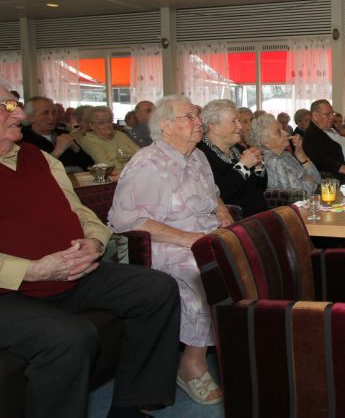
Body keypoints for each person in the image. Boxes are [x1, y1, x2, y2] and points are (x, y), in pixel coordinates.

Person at [0, 86, 181, 418]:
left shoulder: (38, 157)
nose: (20, 114)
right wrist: (30, 270)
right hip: (10, 293)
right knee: (70, 338)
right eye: (7, 107)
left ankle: (130, 407)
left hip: (70, 273)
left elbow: (79, 212)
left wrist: (94, 242)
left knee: (157, 288)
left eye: (16, 105)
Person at [109, 94, 235, 406]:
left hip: (203, 234)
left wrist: (222, 212)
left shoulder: (198, 156)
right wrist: (186, 238)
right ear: (165, 126)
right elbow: (126, 220)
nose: (198, 122)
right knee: (205, 272)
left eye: (197, 115)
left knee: (247, 256)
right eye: (189, 117)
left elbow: (213, 193)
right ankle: (191, 364)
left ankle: (240, 344)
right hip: (162, 243)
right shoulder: (148, 164)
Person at [198, 100, 268, 217]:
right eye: (233, 121)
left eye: (239, 121)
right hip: (236, 221)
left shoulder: (238, 149)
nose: (240, 126)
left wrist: (258, 166)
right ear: (214, 127)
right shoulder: (201, 154)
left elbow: (261, 187)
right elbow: (218, 195)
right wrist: (243, 166)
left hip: (259, 216)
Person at [249, 114, 321, 195]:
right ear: (265, 142)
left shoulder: (285, 154)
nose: (286, 133)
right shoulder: (273, 161)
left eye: (282, 129)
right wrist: (308, 178)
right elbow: (299, 194)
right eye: (278, 132)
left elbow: (318, 180)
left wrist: (301, 154)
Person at [21, 96, 93, 173]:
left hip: (78, 178)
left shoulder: (62, 133)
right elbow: (34, 173)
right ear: (31, 117)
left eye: (54, 112)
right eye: (45, 113)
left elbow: (90, 165)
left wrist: (76, 149)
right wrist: (58, 151)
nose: (51, 118)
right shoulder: (23, 139)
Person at [302, 99, 345, 182]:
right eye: (327, 114)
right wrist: (341, 168)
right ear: (314, 116)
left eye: (332, 113)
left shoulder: (332, 129)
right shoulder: (311, 134)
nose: (332, 117)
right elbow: (317, 158)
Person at [77, 106, 140, 171]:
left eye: (109, 121)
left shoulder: (119, 135)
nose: (107, 125)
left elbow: (139, 153)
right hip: (116, 174)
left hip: (137, 170)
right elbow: (106, 164)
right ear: (91, 125)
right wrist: (132, 167)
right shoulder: (89, 140)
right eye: (101, 123)